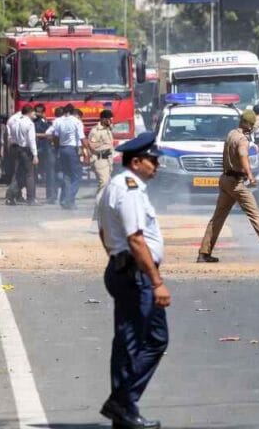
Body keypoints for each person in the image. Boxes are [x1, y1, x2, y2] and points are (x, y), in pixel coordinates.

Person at [95, 132, 169, 429]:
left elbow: (103, 232)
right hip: (135, 275)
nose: (157, 166)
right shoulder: (128, 188)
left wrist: (115, 256)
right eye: (153, 160)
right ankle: (122, 404)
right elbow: (136, 239)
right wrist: (156, 281)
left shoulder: (117, 186)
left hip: (127, 270)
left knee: (154, 338)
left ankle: (122, 402)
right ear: (136, 162)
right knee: (131, 342)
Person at [199, 109, 259, 263]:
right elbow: (243, 155)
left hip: (225, 180)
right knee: (255, 214)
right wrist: (250, 175)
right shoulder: (242, 140)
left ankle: (204, 252)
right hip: (236, 183)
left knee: (217, 218)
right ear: (249, 125)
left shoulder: (231, 134)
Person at [49, 103, 85, 210]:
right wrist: (87, 149)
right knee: (77, 176)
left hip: (62, 149)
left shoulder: (58, 121)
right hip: (72, 149)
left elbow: (55, 136)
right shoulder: (76, 121)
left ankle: (65, 199)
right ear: (72, 111)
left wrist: (57, 148)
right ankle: (68, 199)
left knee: (67, 175)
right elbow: (82, 138)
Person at [5, 105, 39, 205]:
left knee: (17, 174)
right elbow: (32, 140)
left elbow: (10, 136)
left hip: (16, 148)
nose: (34, 115)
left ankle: (10, 196)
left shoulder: (16, 121)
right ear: (29, 112)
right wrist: (35, 154)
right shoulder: (29, 123)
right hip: (26, 150)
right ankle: (31, 198)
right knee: (30, 174)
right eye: (33, 112)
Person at [87, 109, 116, 200]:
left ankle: (103, 201)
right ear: (103, 119)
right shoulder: (96, 131)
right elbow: (91, 146)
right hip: (99, 159)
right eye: (109, 119)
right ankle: (99, 202)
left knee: (108, 182)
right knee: (103, 182)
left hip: (108, 159)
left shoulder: (108, 128)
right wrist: (103, 145)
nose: (111, 121)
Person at [34, 104, 56, 204]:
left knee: (49, 173)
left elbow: (50, 134)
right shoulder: (31, 123)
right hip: (36, 151)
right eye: (37, 112)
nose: (38, 114)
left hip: (46, 150)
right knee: (33, 174)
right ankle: (32, 196)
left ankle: (50, 195)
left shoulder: (47, 122)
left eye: (40, 112)